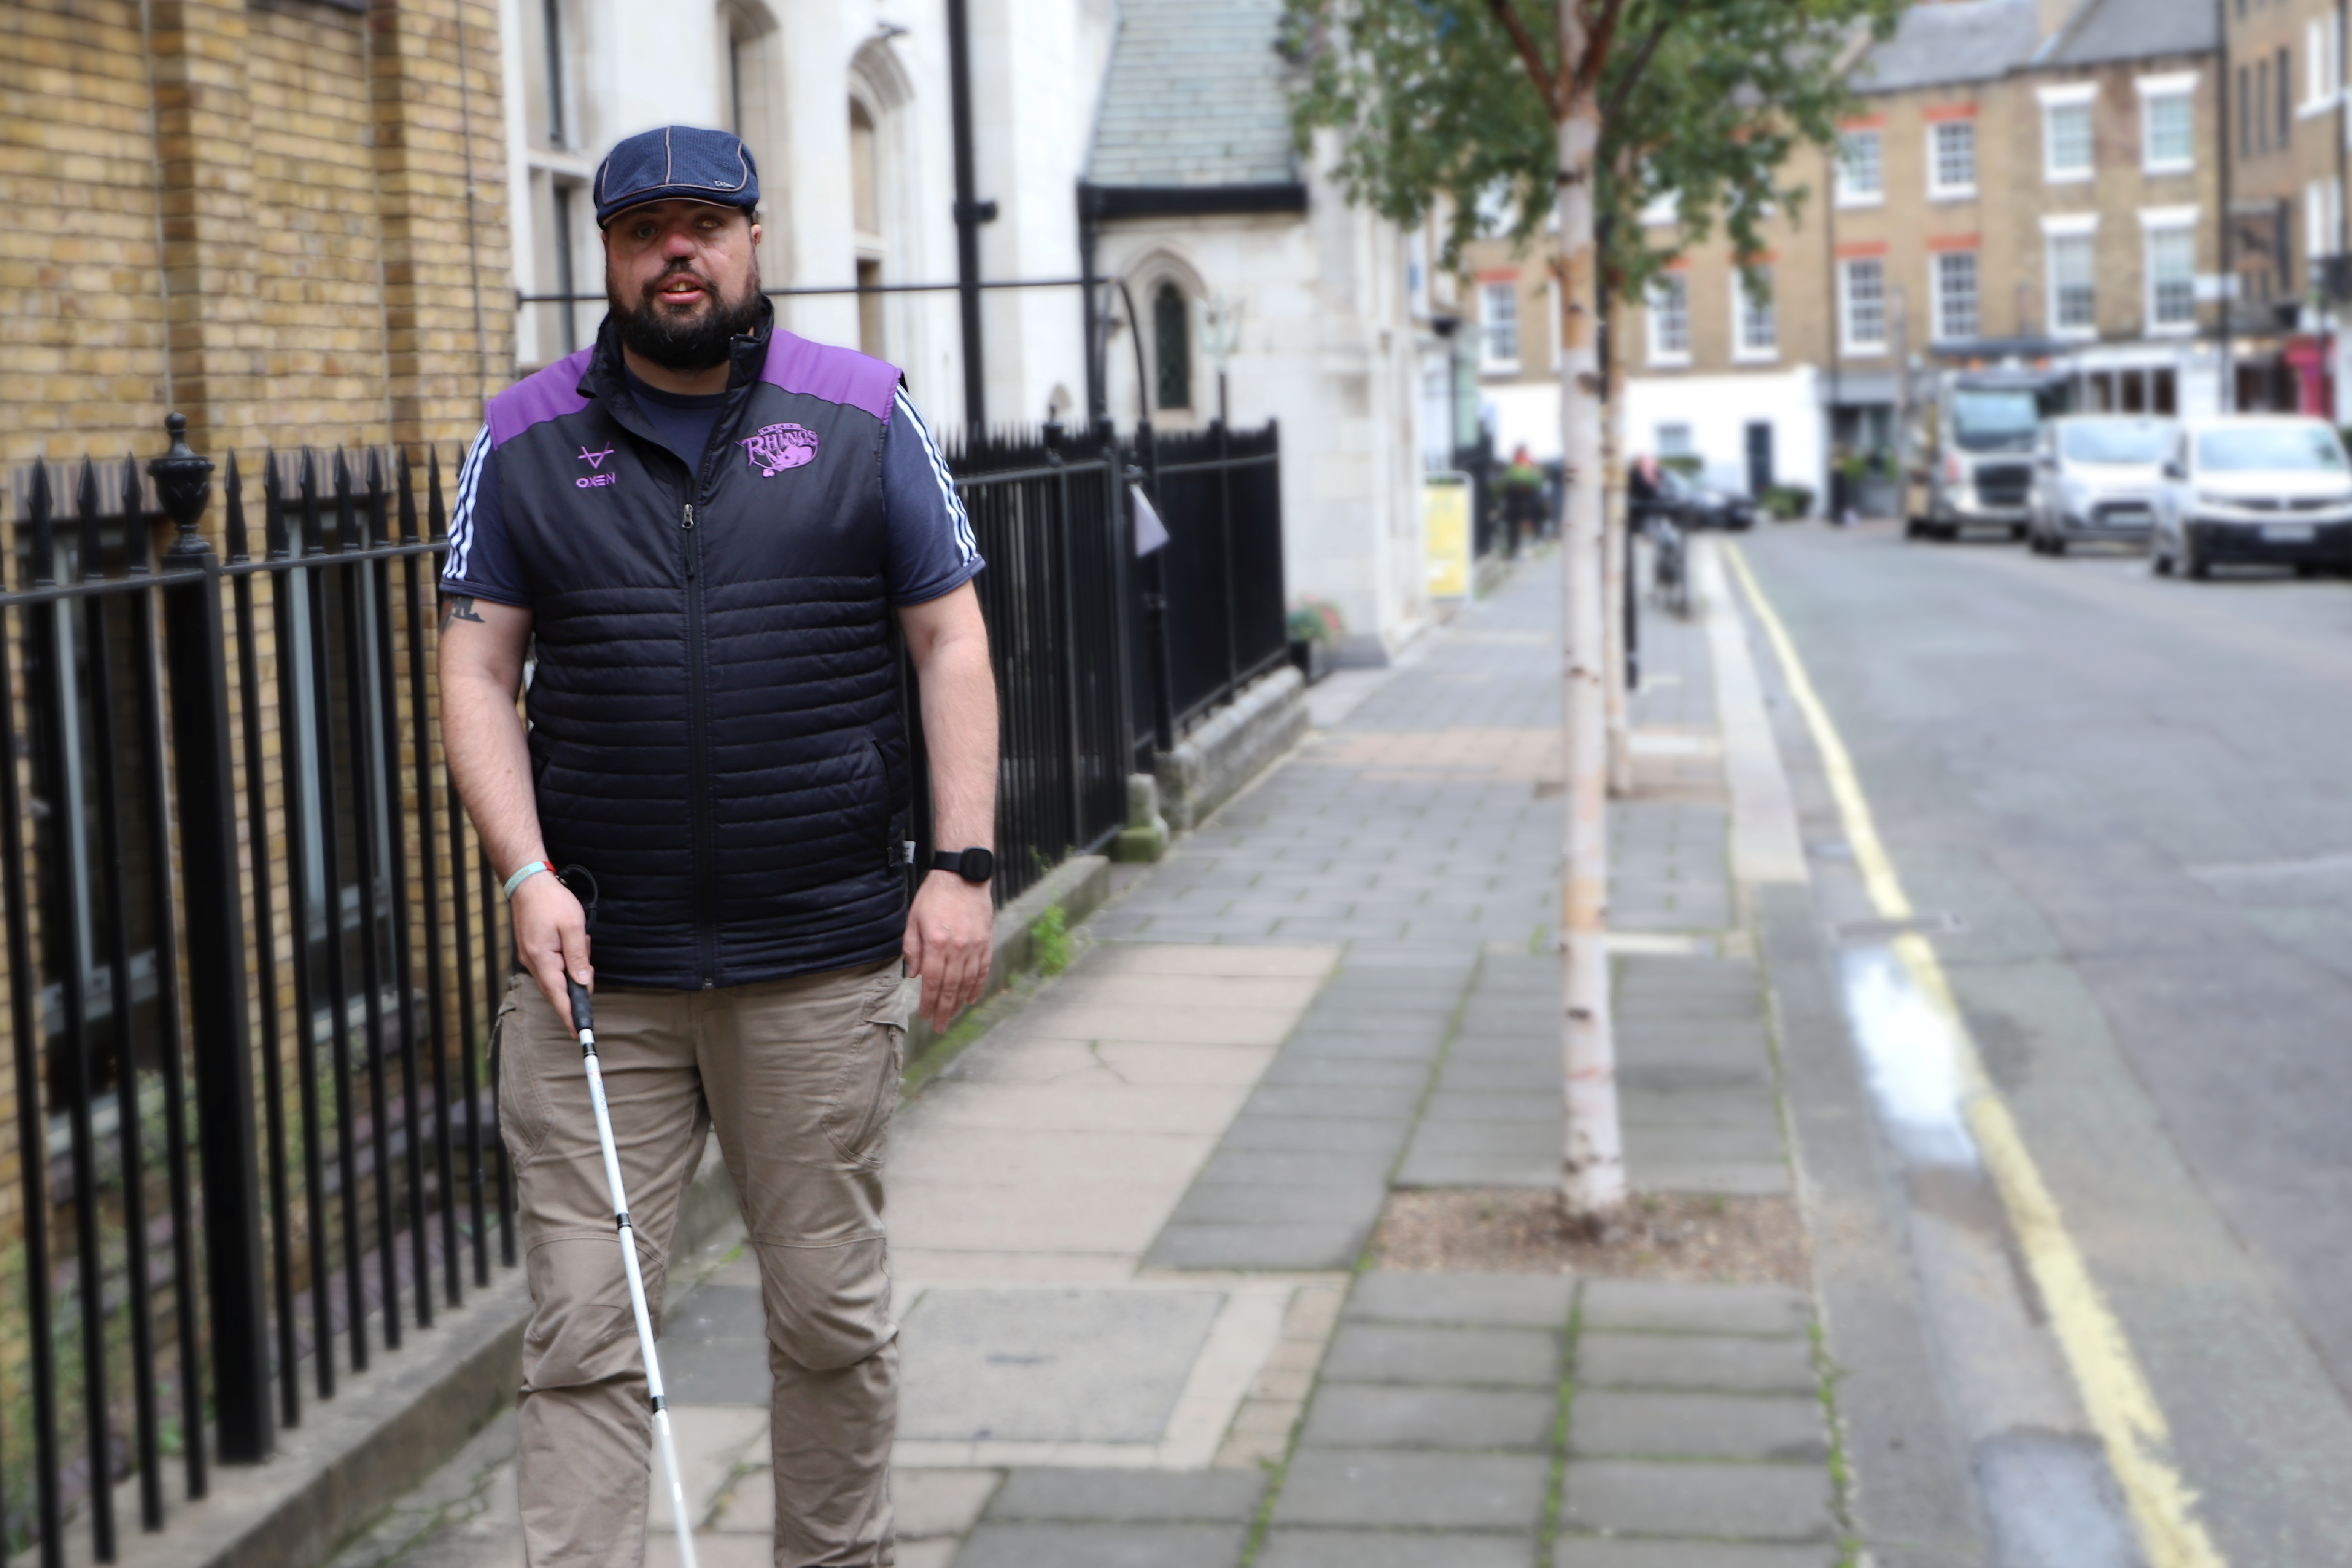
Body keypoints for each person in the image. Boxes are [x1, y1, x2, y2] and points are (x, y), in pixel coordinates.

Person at [437, 125, 999, 1568]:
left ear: (753, 240)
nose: (674, 252)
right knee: (582, 1331)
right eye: (644, 231)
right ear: (610, 256)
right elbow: (475, 669)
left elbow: (950, 641)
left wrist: (961, 866)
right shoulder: (522, 437)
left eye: (703, 225)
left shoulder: (864, 411)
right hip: (595, 977)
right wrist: (523, 872)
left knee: (829, 1319)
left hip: (814, 961)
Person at [1497, 443, 1547, 554]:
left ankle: (1536, 539)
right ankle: (1515, 547)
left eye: (1523, 454)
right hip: (1516, 498)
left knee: (1536, 513)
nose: (1521, 456)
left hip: (1528, 496)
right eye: (1520, 454)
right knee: (1514, 521)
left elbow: (1537, 481)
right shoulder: (1513, 468)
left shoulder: (1530, 466)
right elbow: (1506, 482)